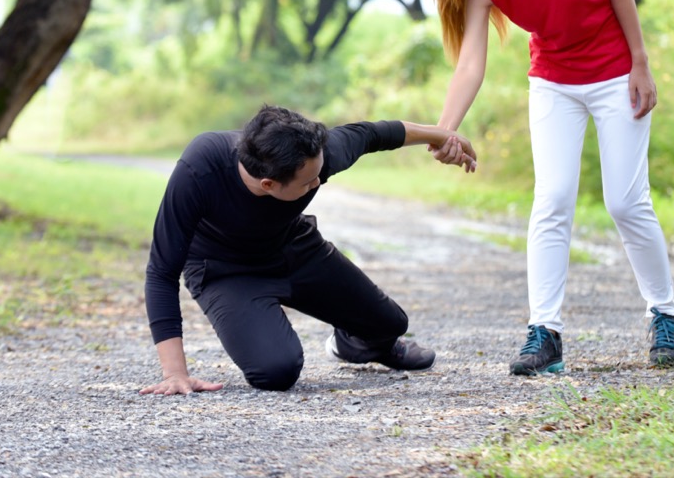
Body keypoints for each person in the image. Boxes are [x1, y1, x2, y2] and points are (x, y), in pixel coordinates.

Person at [427, 0, 674, 376]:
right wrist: (444, 128)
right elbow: (471, 63)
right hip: (554, 84)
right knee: (552, 198)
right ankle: (545, 333)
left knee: (626, 201)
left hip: (616, 76)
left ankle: (666, 316)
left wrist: (641, 63)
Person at [140, 104, 477, 393]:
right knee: (276, 371)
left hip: (293, 248)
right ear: (269, 185)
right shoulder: (200, 169)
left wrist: (440, 136)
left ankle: (355, 345)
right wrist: (175, 373)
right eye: (309, 182)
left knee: (390, 323)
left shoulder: (314, 154)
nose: (318, 181)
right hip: (225, 271)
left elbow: (377, 133)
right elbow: (161, 272)